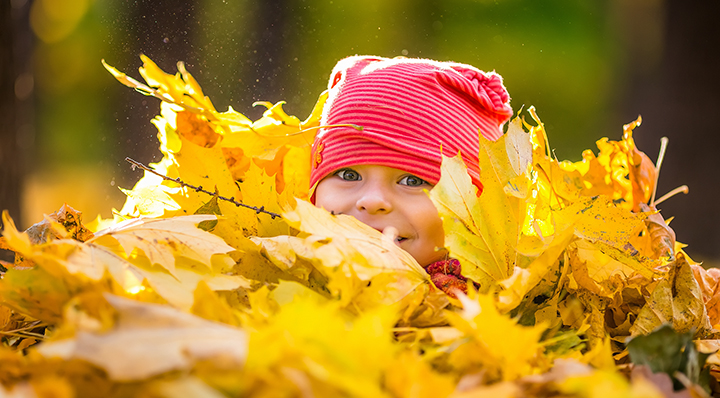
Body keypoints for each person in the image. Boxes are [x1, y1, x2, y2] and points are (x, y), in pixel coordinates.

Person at [310, 55, 513, 296]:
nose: (372, 201)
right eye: (348, 174)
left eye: (412, 181)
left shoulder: (480, 308)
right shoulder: (272, 272)